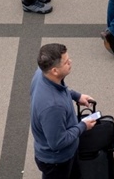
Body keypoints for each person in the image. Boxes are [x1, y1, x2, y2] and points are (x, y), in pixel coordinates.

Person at [29, 44, 96, 179]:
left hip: (64, 155)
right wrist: (83, 126)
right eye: (66, 62)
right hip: (57, 162)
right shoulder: (53, 107)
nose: (70, 62)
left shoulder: (41, 73)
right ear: (54, 70)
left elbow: (60, 89)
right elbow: (58, 142)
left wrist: (76, 96)